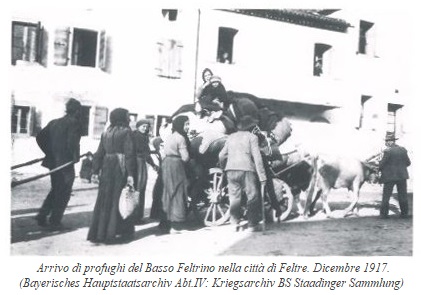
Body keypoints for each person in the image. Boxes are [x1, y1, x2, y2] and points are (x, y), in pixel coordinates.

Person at [87, 108, 136, 244]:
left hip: (107, 166)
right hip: (119, 167)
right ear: (122, 118)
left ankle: (99, 233)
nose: (129, 119)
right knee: (118, 198)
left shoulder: (105, 133)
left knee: (104, 199)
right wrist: (131, 173)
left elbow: (98, 153)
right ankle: (114, 233)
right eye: (127, 116)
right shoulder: (127, 132)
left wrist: (95, 171)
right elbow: (130, 154)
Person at [35, 98, 82, 228]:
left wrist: (49, 152)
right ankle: (55, 220)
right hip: (65, 163)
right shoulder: (74, 123)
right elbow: (72, 143)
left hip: (53, 162)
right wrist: (75, 157)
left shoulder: (54, 122)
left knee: (56, 189)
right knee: (64, 191)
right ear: (77, 111)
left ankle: (42, 215)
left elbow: (40, 137)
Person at [219, 115, 267, 232]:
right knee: (252, 196)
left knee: (234, 197)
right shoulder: (252, 137)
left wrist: (224, 167)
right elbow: (257, 157)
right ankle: (252, 225)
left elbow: (221, 155)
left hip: (231, 170)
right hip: (247, 170)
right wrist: (262, 176)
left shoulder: (230, 137)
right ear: (249, 127)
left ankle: (234, 223)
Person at [159, 115, 190, 233]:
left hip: (166, 163)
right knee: (178, 191)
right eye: (186, 124)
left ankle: (166, 221)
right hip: (176, 164)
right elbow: (185, 157)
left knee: (168, 192)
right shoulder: (181, 138)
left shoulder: (169, 137)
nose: (187, 127)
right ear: (180, 125)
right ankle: (176, 225)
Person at [378, 132, 411, 218]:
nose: (386, 142)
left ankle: (384, 215)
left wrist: (379, 166)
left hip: (390, 177)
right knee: (403, 195)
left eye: (387, 141)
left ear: (390, 141)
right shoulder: (403, 150)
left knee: (386, 196)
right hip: (402, 176)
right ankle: (404, 214)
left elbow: (381, 165)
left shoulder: (388, 151)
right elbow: (408, 163)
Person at [132, 119, 159, 224]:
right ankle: (136, 217)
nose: (145, 128)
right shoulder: (140, 137)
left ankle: (135, 215)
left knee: (136, 189)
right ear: (138, 127)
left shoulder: (137, 135)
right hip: (139, 164)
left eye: (147, 126)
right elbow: (145, 153)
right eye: (143, 126)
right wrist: (153, 164)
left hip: (136, 163)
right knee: (140, 188)